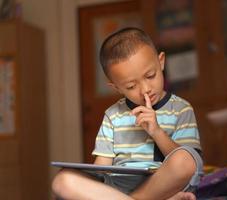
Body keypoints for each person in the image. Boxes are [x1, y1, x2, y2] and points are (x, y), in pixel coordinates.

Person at [52, 27, 203, 200]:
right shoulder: (113, 115)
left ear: (161, 62)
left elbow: (188, 163)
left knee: (187, 159)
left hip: (161, 185)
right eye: (131, 87)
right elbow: (102, 168)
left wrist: (156, 131)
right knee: (62, 181)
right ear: (116, 87)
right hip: (118, 189)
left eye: (150, 76)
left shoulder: (181, 109)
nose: (145, 89)